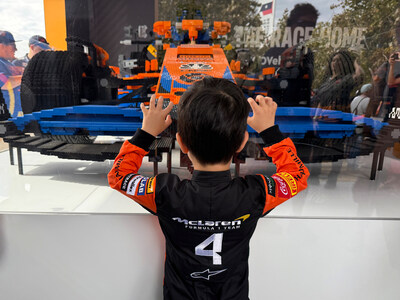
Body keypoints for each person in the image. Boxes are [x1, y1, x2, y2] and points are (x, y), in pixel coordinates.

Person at [108, 77, 309, 300]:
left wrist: (146, 134)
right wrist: (270, 132)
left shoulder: (163, 192)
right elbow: (296, 176)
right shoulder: (257, 194)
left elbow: (119, 176)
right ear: (242, 143)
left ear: (181, 143)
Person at [0, 30, 24, 117]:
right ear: (1, 46)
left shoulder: (8, 63)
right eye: (13, 45)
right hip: (6, 120)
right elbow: (5, 82)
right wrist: (28, 76)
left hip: (18, 117)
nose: (16, 49)